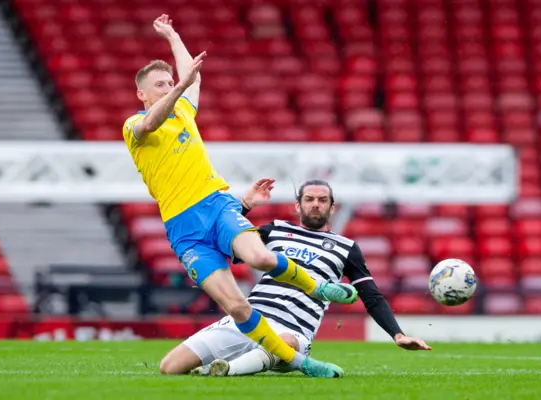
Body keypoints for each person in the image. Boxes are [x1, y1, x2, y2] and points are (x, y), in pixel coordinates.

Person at [121, 15, 358, 378]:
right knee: (235, 305)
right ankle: (300, 363)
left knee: (261, 257)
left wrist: (171, 35)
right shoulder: (134, 126)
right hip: (184, 228)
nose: (169, 86)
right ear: (142, 93)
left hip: (216, 205)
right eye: (159, 84)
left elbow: (191, 76)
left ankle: (318, 287)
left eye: (169, 82)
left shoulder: (184, 108)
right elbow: (150, 122)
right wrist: (180, 84)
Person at [159, 178, 431, 377]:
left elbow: (371, 296)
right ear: (297, 206)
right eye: (309, 199)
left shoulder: (347, 248)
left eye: (322, 200)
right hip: (247, 318)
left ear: (332, 208)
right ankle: (237, 363)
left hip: (293, 330)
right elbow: (222, 240)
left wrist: (397, 334)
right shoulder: (275, 230)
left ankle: (225, 371)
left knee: (287, 344)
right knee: (170, 367)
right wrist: (244, 205)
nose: (315, 205)